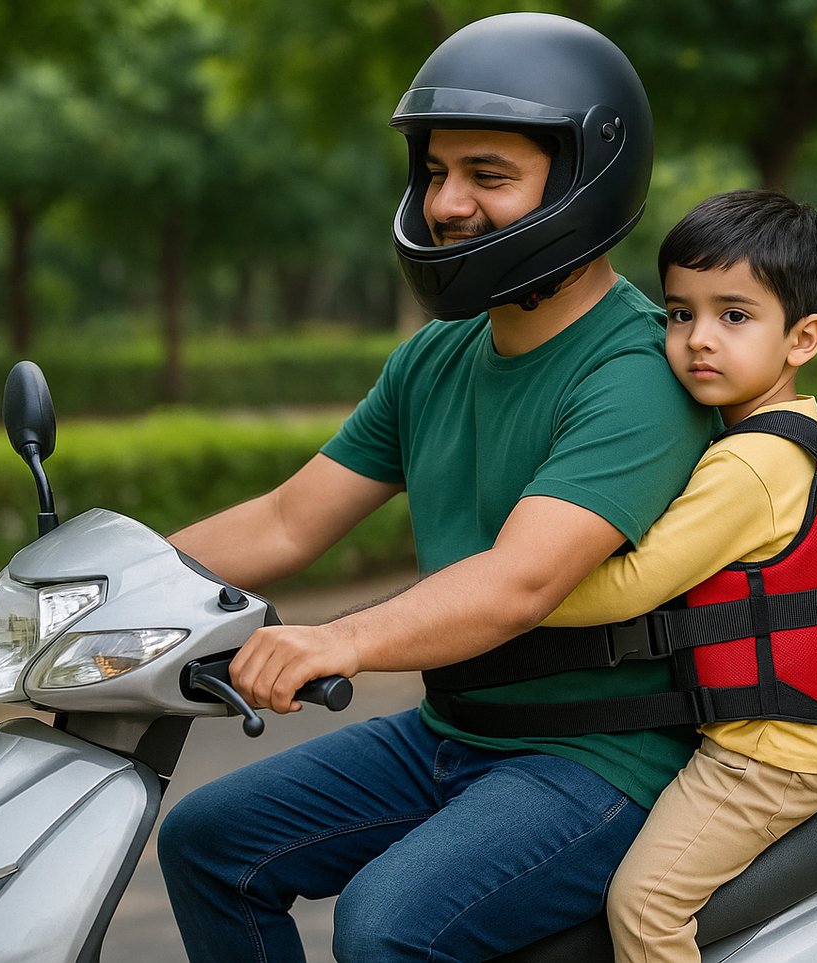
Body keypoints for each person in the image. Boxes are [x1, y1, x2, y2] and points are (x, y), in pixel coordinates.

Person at [156, 13, 713, 963]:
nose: (447, 203)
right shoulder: (437, 357)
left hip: (598, 762)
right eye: (433, 173)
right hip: (456, 731)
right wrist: (98, 581)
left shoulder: (635, 371)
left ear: (584, 180)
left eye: (486, 175)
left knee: (385, 924)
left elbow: (518, 582)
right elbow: (289, 520)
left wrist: (338, 639)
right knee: (210, 840)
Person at [539, 189, 817, 963]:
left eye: (733, 315)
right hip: (813, 726)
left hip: (767, 754)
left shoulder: (749, 462)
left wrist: (506, 598)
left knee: (646, 903)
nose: (697, 339)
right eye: (677, 313)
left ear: (802, 338)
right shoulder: (799, 429)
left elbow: (632, 585)